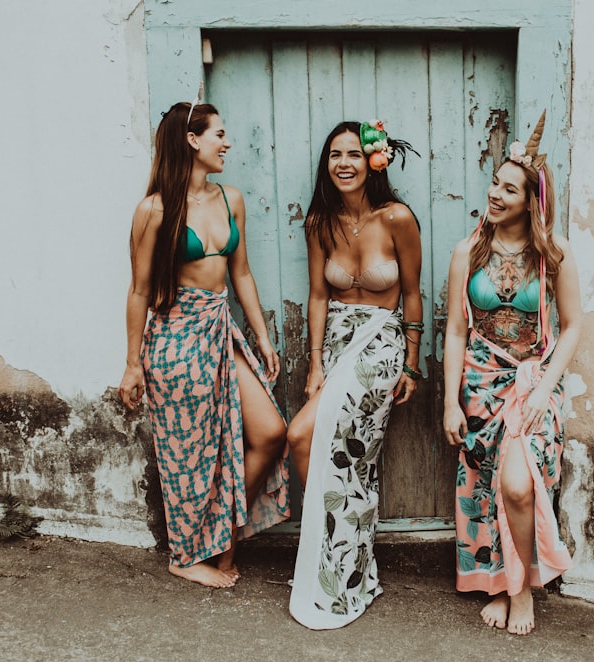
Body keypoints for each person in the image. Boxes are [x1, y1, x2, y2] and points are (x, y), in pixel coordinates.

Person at [118, 101, 290, 588]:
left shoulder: (230, 198)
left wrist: (260, 333)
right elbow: (139, 291)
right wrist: (133, 365)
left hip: (220, 329)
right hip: (175, 340)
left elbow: (241, 273)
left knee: (270, 432)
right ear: (192, 140)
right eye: (219, 134)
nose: (227, 143)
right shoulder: (153, 210)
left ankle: (222, 543)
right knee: (190, 458)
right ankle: (187, 556)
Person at [442, 110, 582, 636]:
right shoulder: (467, 252)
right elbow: (456, 329)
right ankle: (501, 585)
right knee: (485, 488)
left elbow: (572, 327)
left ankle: (523, 593)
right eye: (494, 184)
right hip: (479, 384)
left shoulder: (554, 254)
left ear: (530, 200)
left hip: (531, 385)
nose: (495, 195)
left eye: (509, 189)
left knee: (519, 485)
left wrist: (546, 389)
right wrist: (450, 401)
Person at [286, 120, 423, 629]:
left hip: (382, 345)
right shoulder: (320, 221)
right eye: (334, 155)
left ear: (373, 161)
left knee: (312, 439)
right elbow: (319, 294)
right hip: (338, 344)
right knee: (326, 454)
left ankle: (345, 562)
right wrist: (315, 362)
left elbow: (412, 292)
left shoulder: (398, 219)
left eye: (353, 154)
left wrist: (411, 361)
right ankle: (347, 560)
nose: (343, 163)